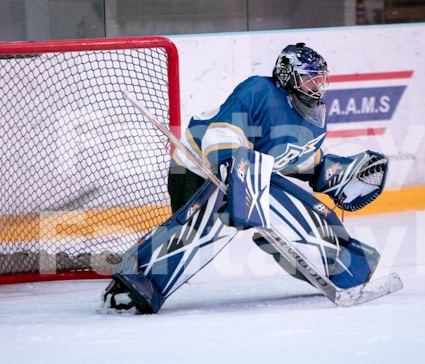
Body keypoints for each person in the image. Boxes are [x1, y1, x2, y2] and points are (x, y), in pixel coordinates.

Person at [103, 43, 389, 313]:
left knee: (302, 211)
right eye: (309, 79)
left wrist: (331, 173)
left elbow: (291, 158)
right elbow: (223, 131)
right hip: (195, 168)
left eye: (320, 79)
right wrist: (230, 163)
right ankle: (135, 281)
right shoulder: (259, 90)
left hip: (248, 172)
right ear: (288, 75)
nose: (317, 85)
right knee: (203, 228)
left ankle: (346, 264)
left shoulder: (314, 115)